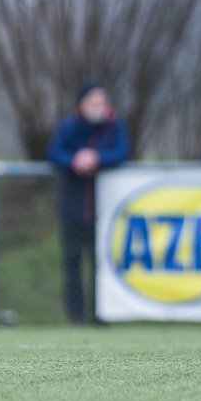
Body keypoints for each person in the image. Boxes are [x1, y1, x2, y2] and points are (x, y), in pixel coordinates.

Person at [46, 80, 131, 325]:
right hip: (72, 207)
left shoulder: (114, 127)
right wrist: (75, 160)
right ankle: (75, 317)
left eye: (101, 102)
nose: (98, 106)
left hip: (104, 210)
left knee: (101, 265)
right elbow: (54, 153)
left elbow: (122, 152)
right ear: (81, 104)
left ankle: (101, 315)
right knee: (72, 264)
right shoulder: (68, 127)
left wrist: (97, 158)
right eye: (93, 101)